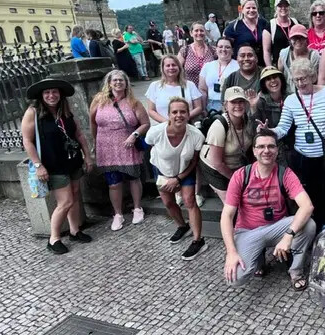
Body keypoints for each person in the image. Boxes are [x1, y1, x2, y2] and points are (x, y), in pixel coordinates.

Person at [221, 129, 316, 290]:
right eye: (261, 147)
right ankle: (259, 258)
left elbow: (307, 206)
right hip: (248, 231)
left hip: (277, 228)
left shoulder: (284, 173)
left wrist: (288, 235)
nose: (266, 151)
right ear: (254, 150)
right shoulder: (241, 175)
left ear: (277, 150)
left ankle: (296, 270)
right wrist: (231, 252)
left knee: (309, 224)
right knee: (235, 279)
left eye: (271, 146)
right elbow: (227, 216)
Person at [267, 58, 325, 230]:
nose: (300, 83)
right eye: (296, 80)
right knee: (314, 197)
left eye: (303, 78)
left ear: (312, 76)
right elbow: (283, 127)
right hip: (305, 157)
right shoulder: (291, 101)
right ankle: (321, 230)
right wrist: (270, 131)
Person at [21, 79, 94, 254]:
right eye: (47, 93)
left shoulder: (65, 110)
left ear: (60, 94)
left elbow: (78, 134)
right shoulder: (33, 112)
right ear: (41, 96)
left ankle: (75, 230)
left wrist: (88, 157)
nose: (51, 95)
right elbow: (27, 141)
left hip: (72, 160)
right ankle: (53, 238)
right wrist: (38, 165)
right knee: (65, 201)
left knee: (75, 196)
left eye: (54, 92)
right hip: (52, 165)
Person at [145, 97, 207, 260]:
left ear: (188, 114)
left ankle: (198, 240)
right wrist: (165, 177)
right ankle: (182, 226)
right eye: (175, 112)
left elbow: (194, 160)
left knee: (189, 201)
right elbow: (152, 151)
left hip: (185, 169)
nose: (179, 115)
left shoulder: (196, 135)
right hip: (161, 169)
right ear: (169, 114)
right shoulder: (156, 132)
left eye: (183, 112)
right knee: (168, 202)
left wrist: (178, 179)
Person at [89, 70, 149, 231]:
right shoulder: (98, 101)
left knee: (133, 178)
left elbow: (145, 123)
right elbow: (93, 124)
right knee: (113, 183)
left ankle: (137, 208)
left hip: (127, 145)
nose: (118, 83)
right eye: (115, 80)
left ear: (126, 83)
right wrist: (95, 142)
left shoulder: (133, 102)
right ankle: (118, 214)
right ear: (109, 83)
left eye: (121, 80)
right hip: (106, 147)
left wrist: (134, 135)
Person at [199, 86, 254, 203]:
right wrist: (235, 179)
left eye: (241, 102)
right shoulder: (219, 126)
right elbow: (217, 163)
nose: (238, 105)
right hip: (214, 168)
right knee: (231, 202)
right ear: (225, 105)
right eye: (233, 102)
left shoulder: (247, 120)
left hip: (236, 164)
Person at [247, 66, 292, 164]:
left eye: (275, 77)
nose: (272, 81)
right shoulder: (260, 101)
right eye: (268, 79)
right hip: (271, 149)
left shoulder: (292, 98)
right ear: (264, 84)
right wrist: (253, 108)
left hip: (292, 147)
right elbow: (254, 129)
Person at [146, 55, 204, 123]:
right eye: (168, 65)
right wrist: (167, 122)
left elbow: (198, 107)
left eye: (174, 65)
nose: (171, 67)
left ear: (179, 67)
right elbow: (151, 110)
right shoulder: (154, 86)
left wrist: (182, 119)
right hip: (163, 127)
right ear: (162, 68)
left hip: (185, 125)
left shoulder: (189, 85)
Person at [223, 0, 272, 67]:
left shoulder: (263, 23)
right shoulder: (234, 26)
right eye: (248, 8)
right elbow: (225, 46)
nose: (251, 10)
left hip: (261, 64)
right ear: (242, 9)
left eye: (254, 8)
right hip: (243, 66)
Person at [199, 37, 239, 112]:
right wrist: (203, 109)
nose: (223, 49)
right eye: (220, 47)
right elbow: (202, 89)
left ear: (232, 50)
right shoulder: (207, 66)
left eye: (227, 47)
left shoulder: (238, 66)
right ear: (216, 49)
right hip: (210, 105)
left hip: (231, 104)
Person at [277, 24, 320, 93]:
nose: (298, 40)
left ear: (306, 39)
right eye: (294, 38)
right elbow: (280, 76)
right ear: (290, 40)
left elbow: (315, 78)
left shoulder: (314, 55)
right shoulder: (284, 54)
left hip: (310, 92)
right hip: (289, 93)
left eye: (301, 37)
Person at [177, 21, 217, 88]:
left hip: (210, 91)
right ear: (191, 33)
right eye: (196, 31)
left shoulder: (213, 50)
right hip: (191, 92)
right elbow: (177, 70)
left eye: (202, 31)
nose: (199, 33)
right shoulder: (185, 50)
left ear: (205, 33)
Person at [270, 0, 299, 64]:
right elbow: (266, 51)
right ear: (275, 8)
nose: (283, 8)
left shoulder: (296, 22)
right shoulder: (270, 25)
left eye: (286, 5)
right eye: (280, 6)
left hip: (296, 62)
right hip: (279, 64)